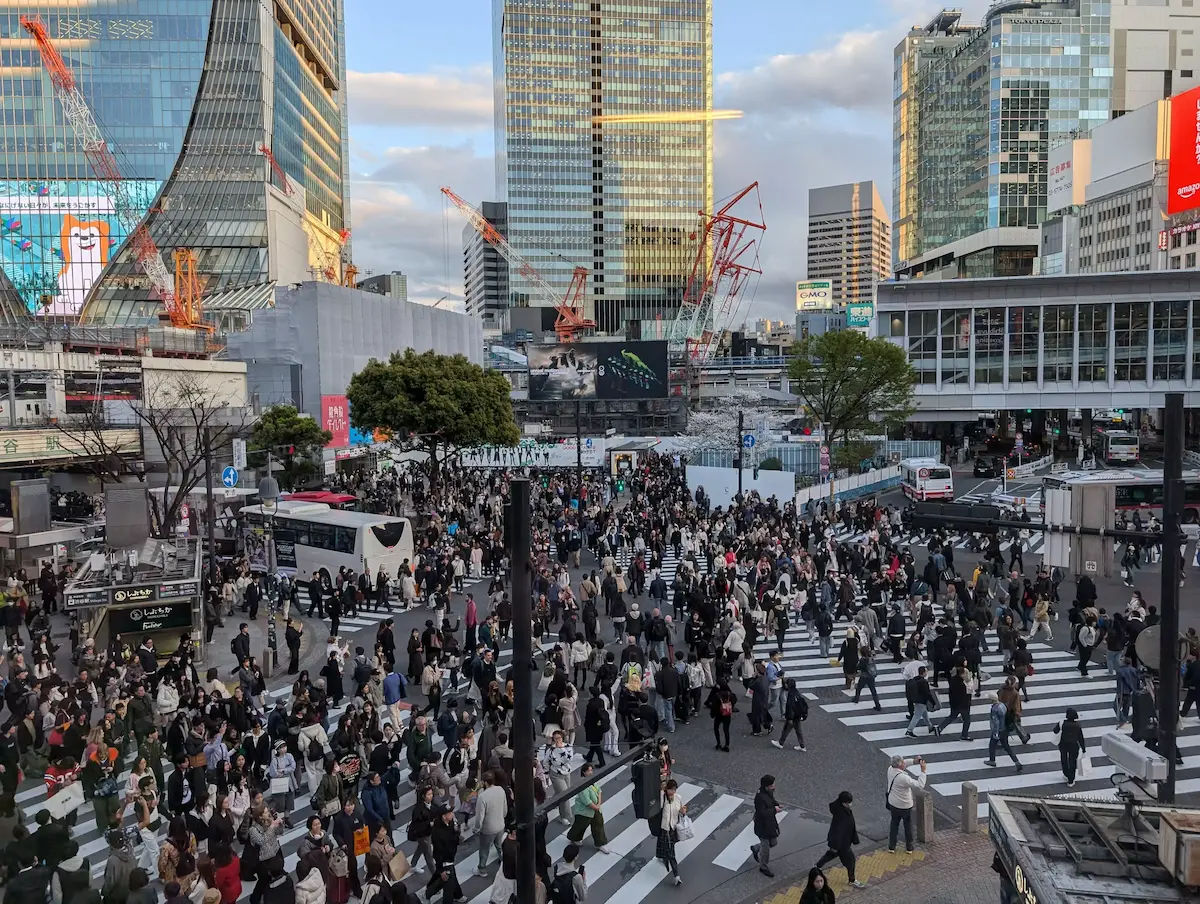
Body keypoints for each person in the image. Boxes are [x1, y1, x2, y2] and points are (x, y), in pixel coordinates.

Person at [814, 791, 865, 889]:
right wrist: (836, 845)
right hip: (842, 844)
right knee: (851, 861)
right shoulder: (842, 814)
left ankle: (817, 867)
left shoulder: (839, 808)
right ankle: (852, 880)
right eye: (848, 802)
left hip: (840, 843)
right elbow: (838, 831)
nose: (850, 804)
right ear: (843, 802)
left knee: (831, 854)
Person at [885, 755, 927, 854]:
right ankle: (909, 846)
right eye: (903, 762)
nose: (905, 763)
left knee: (894, 823)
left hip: (893, 803)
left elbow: (904, 764)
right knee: (907, 825)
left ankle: (892, 846)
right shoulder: (904, 778)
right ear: (899, 765)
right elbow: (920, 785)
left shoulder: (890, 769)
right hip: (905, 805)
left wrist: (914, 761)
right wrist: (923, 771)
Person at [566, 763, 610, 853]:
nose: (590, 772)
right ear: (584, 772)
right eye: (588, 771)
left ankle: (600, 843)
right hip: (584, 811)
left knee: (598, 825)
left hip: (595, 810)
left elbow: (599, 791)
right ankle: (574, 838)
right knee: (580, 825)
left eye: (591, 770)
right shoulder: (582, 784)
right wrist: (596, 807)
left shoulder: (593, 781)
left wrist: (598, 804)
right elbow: (586, 801)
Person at [471, 770, 509, 877]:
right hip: (500, 824)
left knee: (484, 849)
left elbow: (480, 817)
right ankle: (503, 861)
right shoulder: (500, 790)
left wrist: (477, 829)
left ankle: (482, 869)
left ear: (484, 782)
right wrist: (502, 818)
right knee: (499, 845)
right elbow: (505, 808)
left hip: (488, 829)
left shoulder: (483, 796)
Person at [750, 774, 781, 878]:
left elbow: (771, 800)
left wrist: (776, 804)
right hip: (762, 825)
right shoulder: (759, 797)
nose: (774, 787)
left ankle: (756, 848)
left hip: (770, 823)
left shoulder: (767, 792)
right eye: (772, 786)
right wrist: (774, 810)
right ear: (766, 786)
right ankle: (763, 866)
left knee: (773, 842)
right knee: (766, 848)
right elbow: (762, 813)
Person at [984, 692, 1024, 772]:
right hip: (1005, 729)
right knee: (1006, 747)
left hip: (999, 730)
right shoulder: (1002, 705)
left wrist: (996, 733)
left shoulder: (994, 709)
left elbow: (996, 722)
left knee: (992, 745)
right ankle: (1017, 762)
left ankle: (992, 761)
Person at [657, 779, 686, 886]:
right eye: (670, 789)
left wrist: (683, 812)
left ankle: (661, 856)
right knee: (671, 852)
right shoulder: (663, 797)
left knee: (668, 847)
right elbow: (659, 807)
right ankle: (676, 875)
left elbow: (681, 812)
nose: (672, 792)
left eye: (674, 789)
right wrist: (662, 791)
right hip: (665, 828)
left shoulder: (678, 798)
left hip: (673, 828)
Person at [1055, 707, 1087, 787]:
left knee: (1064, 759)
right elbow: (1080, 738)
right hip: (1073, 746)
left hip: (1063, 745)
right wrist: (1083, 749)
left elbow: (1055, 730)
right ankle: (1071, 780)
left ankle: (1066, 774)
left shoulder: (1062, 723)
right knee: (1072, 762)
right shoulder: (1077, 725)